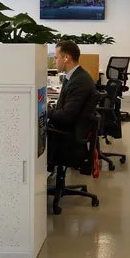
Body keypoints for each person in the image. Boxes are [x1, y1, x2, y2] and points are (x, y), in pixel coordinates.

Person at [47, 40, 99, 170]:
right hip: (70, 131)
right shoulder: (75, 77)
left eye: (56, 57)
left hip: (68, 138)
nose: (54, 61)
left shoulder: (79, 81)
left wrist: (45, 111)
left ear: (66, 58)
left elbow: (66, 116)